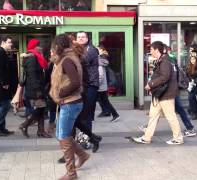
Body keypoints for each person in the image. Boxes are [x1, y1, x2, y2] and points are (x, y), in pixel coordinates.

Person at [50, 34, 90, 180]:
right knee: (63, 135)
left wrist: (60, 92)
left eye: (54, 46)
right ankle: (83, 155)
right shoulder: (68, 58)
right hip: (70, 102)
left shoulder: (67, 60)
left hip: (70, 103)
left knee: (63, 137)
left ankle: (71, 173)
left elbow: (75, 83)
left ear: (58, 46)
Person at [131, 41, 184, 145]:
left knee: (171, 117)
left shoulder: (165, 61)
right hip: (159, 94)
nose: (150, 52)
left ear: (156, 50)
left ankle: (178, 138)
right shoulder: (161, 60)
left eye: (151, 50)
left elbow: (165, 77)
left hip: (166, 94)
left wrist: (151, 84)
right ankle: (146, 138)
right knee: (153, 116)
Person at [18, 39, 51, 138]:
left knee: (42, 108)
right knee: (41, 109)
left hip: (39, 88)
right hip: (35, 89)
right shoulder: (32, 58)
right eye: (38, 46)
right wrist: (37, 90)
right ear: (33, 47)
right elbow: (32, 76)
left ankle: (41, 131)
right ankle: (25, 124)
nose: (40, 48)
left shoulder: (37, 57)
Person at [97, 45, 120, 122]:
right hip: (103, 83)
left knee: (103, 100)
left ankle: (114, 114)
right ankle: (108, 112)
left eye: (97, 49)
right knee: (102, 100)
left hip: (102, 83)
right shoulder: (101, 57)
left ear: (101, 49)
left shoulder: (102, 58)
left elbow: (101, 74)